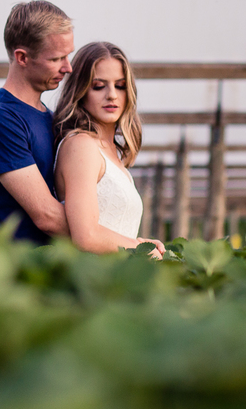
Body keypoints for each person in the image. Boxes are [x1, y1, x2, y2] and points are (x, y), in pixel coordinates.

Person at [0, 0, 73, 243]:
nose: (68, 67)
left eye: (68, 55)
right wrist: (118, 242)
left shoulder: (51, 117)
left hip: (53, 269)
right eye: (57, 58)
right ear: (22, 57)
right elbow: (46, 215)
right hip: (16, 272)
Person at [53, 41, 166, 258]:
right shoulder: (81, 145)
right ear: (81, 90)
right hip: (94, 282)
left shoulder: (111, 153)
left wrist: (140, 242)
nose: (112, 95)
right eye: (98, 86)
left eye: (120, 85)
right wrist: (142, 251)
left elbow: (112, 230)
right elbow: (86, 235)